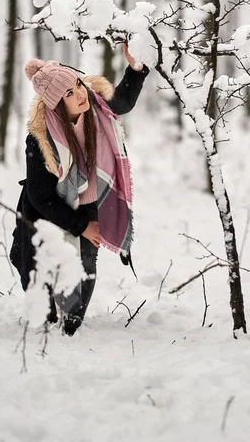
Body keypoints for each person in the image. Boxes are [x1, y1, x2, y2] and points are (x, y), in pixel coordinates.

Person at [10, 45, 149, 335]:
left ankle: (73, 325)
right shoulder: (41, 139)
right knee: (41, 270)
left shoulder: (95, 106)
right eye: (69, 94)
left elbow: (121, 101)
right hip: (45, 212)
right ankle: (46, 324)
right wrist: (80, 226)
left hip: (87, 199)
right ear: (56, 105)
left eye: (77, 84)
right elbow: (40, 197)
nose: (79, 93)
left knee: (86, 261)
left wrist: (135, 70)